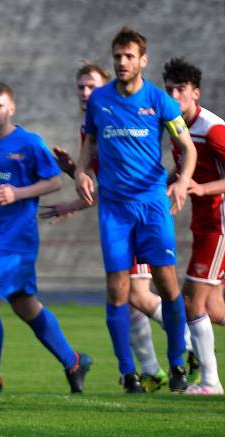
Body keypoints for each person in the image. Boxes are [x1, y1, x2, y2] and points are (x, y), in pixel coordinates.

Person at [44, 62, 181, 393]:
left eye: (90, 86)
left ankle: (185, 345)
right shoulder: (91, 127)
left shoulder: (127, 111)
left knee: (136, 294)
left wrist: (176, 184)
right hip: (117, 215)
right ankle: (149, 369)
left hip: (143, 212)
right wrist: (75, 172)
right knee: (127, 296)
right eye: (80, 87)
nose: (85, 93)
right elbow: (100, 185)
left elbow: (167, 158)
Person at [75, 27, 197, 393]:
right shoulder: (99, 101)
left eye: (129, 56)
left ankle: (177, 361)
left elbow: (188, 149)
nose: (122, 62)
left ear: (143, 60)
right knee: (117, 290)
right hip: (114, 209)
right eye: (118, 57)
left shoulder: (160, 102)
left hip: (152, 206)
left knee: (167, 284)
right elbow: (90, 143)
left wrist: (180, 182)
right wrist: (81, 171)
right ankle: (128, 373)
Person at [0, 82, 92, 394]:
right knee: (25, 305)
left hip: (18, 240)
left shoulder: (29, 143)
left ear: (11, 108)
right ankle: (74, 362)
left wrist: (17, 193)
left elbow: (54, 181)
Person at [163, 57, 225, 395]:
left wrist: (201, 189)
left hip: (220, 224)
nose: (174, 95)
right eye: (169, 88)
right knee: (214, 308)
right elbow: (182, 170)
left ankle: (211, 383)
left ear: (196, 93)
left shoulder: (213, 129)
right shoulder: (177, 129)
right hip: (203, 223)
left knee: (191, 301)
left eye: (181, 89)